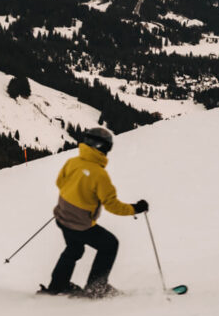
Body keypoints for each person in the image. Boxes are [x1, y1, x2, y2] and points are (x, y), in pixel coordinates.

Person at [45, 126, 148, 298]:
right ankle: (96, 289)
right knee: (110, 245)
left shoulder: (72, 162)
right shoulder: (100, 175)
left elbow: (60, 183)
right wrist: (135, 208)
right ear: (104, 148)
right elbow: (112, 205)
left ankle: (57, 285)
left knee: (73, 249)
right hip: (81, 224)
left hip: (62, 217)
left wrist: (76, 195)